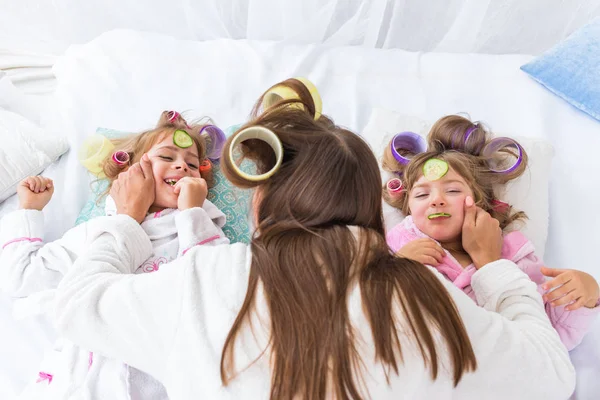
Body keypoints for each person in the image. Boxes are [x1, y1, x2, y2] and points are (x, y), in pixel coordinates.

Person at [53, 101, 575, 399]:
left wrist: (124, 222)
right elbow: (552, 376)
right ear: (368, 203)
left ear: (266, 202)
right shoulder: (426, 295)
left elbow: (77, 307)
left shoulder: (204, 277)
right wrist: (495, 268)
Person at [0, 111, 229, 399]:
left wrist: (193, 212)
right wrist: (30, 211)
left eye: (193, 163)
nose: (182, 165)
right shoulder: (96, 234)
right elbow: (22, 277)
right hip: (79, 382)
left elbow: (217, 291)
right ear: (132, 172)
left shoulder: (200, 229)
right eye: (167, 157)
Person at [383, 115, 600, 351]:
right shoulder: (395, 247)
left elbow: (548, 337)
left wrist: (584, 296)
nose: (437, 200)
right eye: (422, 195)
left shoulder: (514, 256)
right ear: (408, 208)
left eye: (453, 190)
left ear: (479, 202)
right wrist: (398, 267)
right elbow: (367, 308)